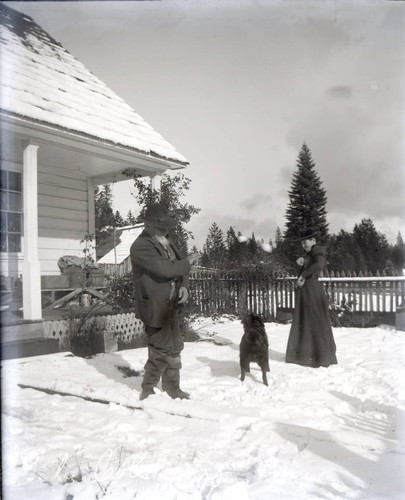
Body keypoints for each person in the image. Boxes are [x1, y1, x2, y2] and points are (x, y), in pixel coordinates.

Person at [130, 203, 200, 400]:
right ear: (149, 226)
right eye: (162, 227)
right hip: (155, 306)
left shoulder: (165, 240)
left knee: (175, 346)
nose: (166, 230)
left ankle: (173, 388)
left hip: (171, 305)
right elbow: (165, 269)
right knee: (160, 348)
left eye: (167, 227)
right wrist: (187, 264)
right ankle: (147, 389)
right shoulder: (140, 246)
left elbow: (179, 265)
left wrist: (184, 286)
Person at [285, 229, 337, 368]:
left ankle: (318, 357)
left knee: (314, 320)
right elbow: (312, 263)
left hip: (312, 290)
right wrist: (303, 262)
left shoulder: (318, 249)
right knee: (307, 320)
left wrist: (303, 274)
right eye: (302, 243)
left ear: (313, 241)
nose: (303, 245)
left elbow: (319, 265)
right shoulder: (310, 253)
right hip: (307, 290)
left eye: (305, 242)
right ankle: (309, 355)